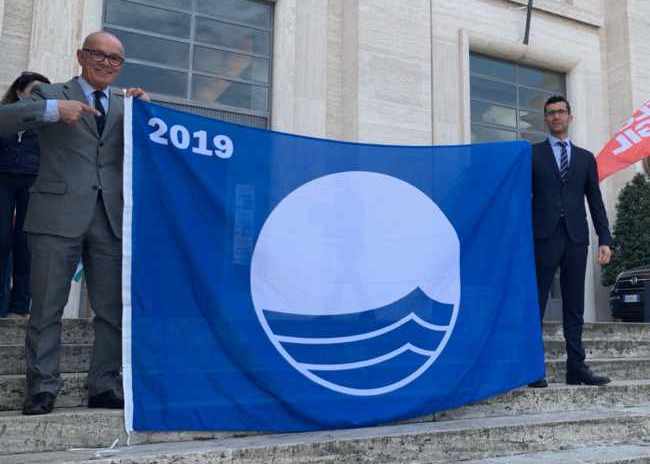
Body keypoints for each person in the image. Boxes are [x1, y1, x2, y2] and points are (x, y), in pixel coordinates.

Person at [0, 31, 148, 415]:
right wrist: (53, 112)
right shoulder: (51, 95)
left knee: (112, 310)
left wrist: (148, 113)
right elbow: (4, 119)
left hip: (110, 220)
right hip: (55, 216)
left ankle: (104, 385)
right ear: (81, 55)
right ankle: (42, 387)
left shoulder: (123, 105)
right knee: (47, 307)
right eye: (98, 54)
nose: (106, 63)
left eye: (115, 59)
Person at [528, 95, 612, 388]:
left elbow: (596, 201)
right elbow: (519, 197)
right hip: (543, 237)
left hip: (577, 238)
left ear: (570, 117)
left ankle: (576, 368)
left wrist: (605, 238)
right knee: (535, 303)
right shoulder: (532, 155)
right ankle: (533, 370)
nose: (556, 117)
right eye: (550, 113)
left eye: (561, 112)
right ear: (545, 119)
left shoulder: (586, 158)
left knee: (574, 305)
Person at [0, 72, 51, 318]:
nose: (40, 97)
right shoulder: (4, 114)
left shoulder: (48, 123)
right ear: (20, 92)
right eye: (35, 91)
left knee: (26, 242)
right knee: (1, 239)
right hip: (3, 178)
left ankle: (20, 305)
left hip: (33, 181)